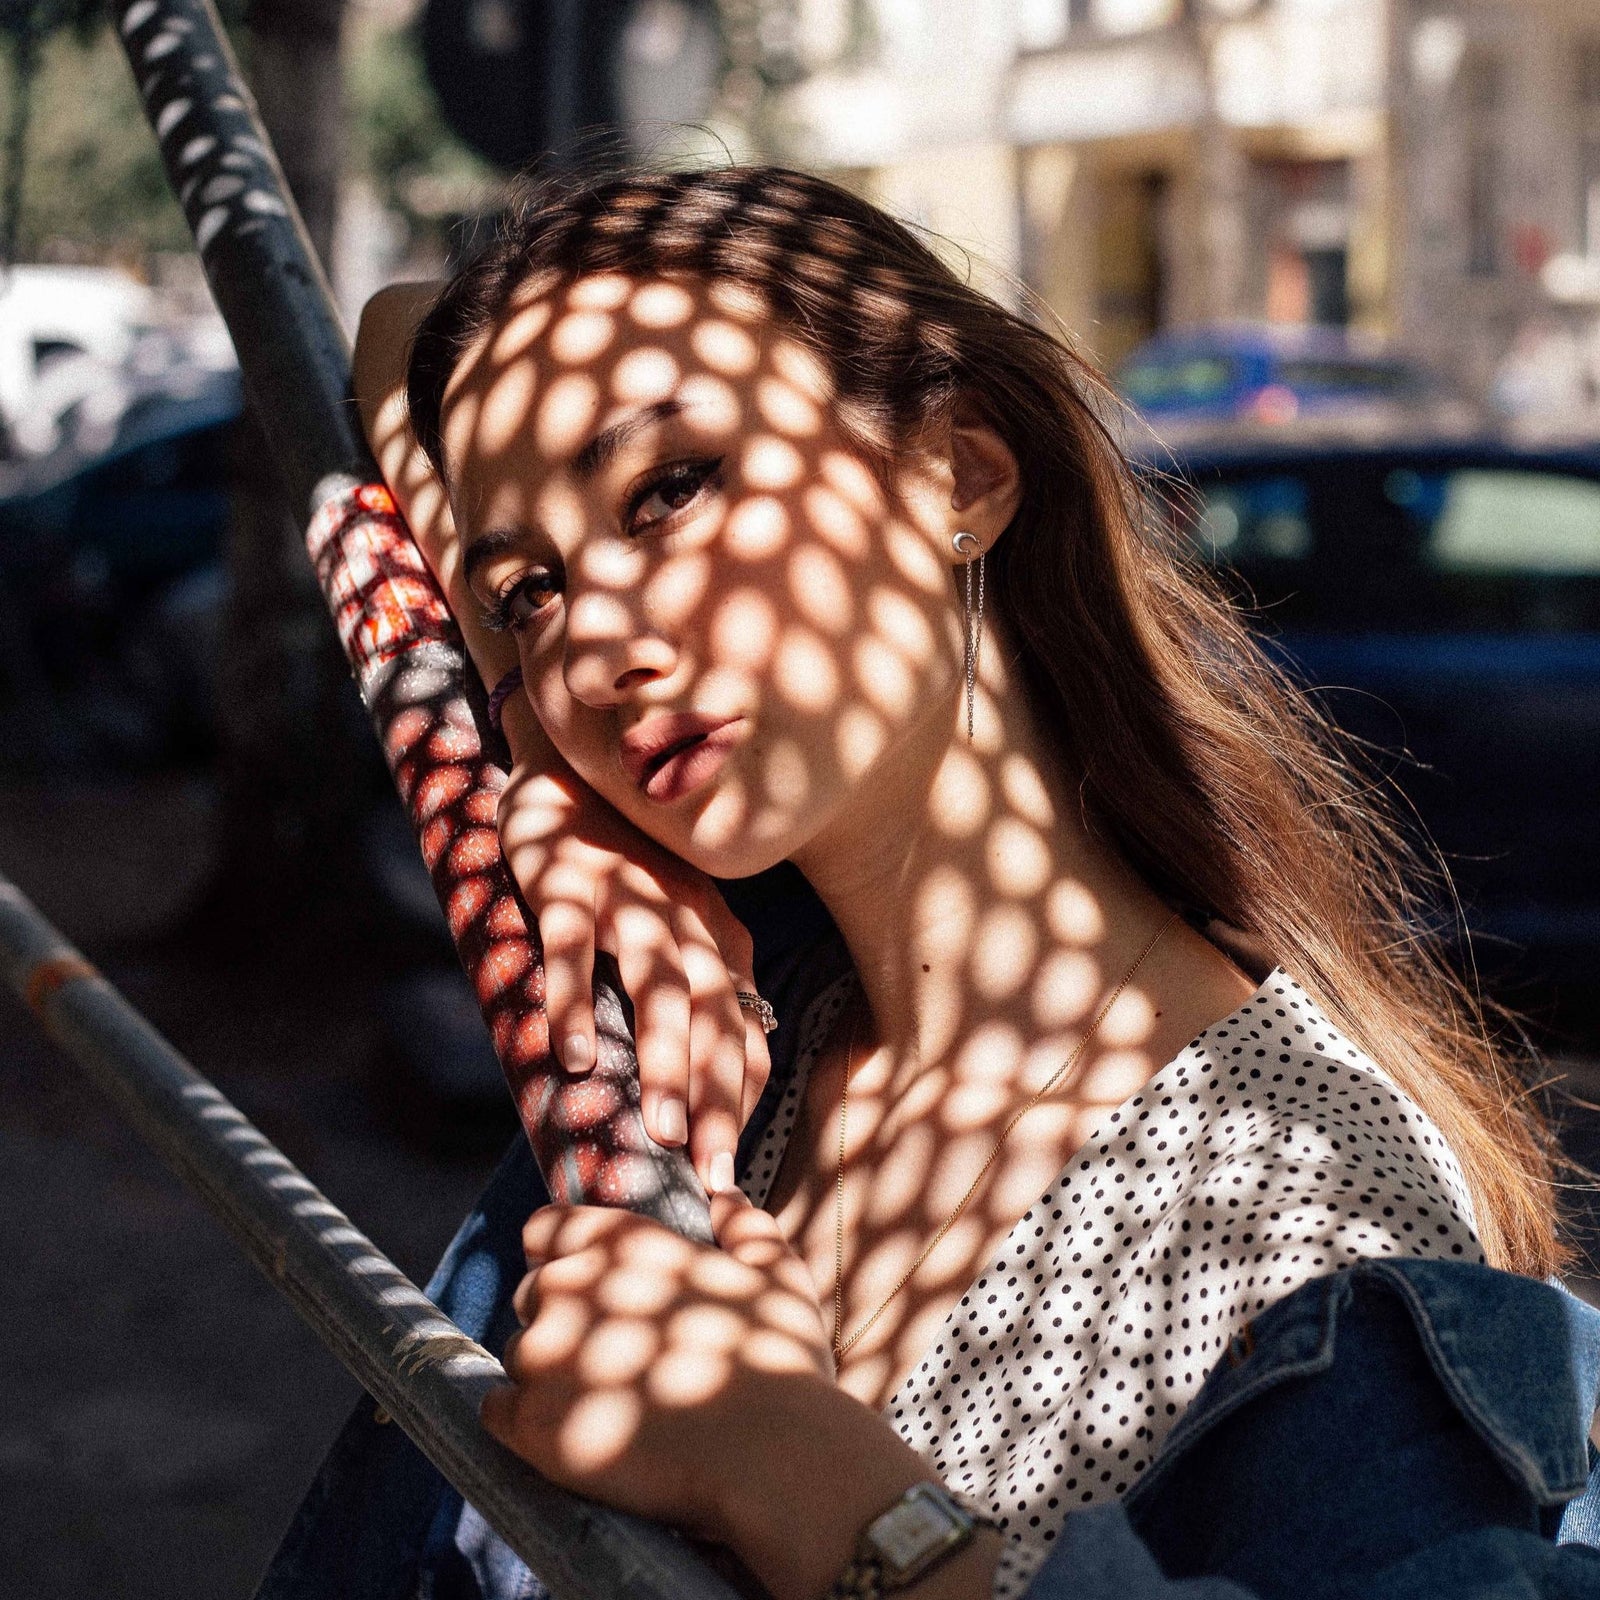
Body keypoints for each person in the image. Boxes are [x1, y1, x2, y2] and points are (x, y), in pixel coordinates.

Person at [261, 165, 1600, 1600]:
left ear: (954, 474)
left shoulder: (1296, 1211)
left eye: (668, 489)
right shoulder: (757, 992)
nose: (595, 649)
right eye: (529, 594)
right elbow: (399, 333)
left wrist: (793, 1467)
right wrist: (542, 769)